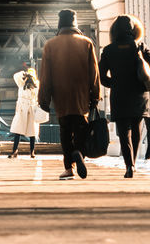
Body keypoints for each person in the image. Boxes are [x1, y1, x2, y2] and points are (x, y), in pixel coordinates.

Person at [38, 9, 101, 181]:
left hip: (61, 98)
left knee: (65, 132)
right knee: (81, 130)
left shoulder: (50, 45)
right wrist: (95, 96)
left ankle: (69, 168)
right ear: (75, 24)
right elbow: (94, 74)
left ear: (60, 24)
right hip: (82, 98)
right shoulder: (87, 43)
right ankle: (78, 152)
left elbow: (45, 76)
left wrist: (43, 99)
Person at [98, 14, 150, 178]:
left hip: (119, 95)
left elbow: (101, 76)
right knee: (136, 129)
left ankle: (129, 165)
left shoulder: (108, 50)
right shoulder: (139, 47)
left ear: (114, 30)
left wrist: (113, 83)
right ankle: (134, 162)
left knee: (123, 132)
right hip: (138, 95)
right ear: (132, 29)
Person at [8, 63, 43, 158]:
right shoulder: (22, 82)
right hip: (22, 108)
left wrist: (33, 83)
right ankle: (14, 151)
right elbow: (15, 76)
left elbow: (37, 93)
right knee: (17, 130)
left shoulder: (36, 84)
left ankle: (32, 152)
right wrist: (24, 74)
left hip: (31, 108)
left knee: (32, 131)